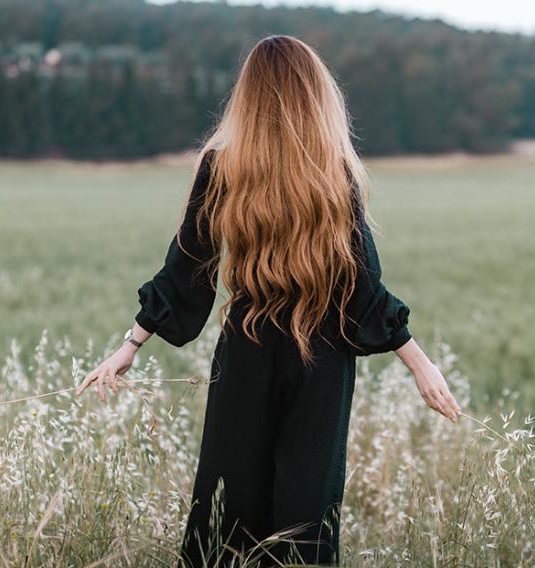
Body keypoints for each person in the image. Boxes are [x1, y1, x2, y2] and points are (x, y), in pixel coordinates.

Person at [76, 34, 461, 568]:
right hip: (322, 357)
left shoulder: (222, 165)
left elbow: (186, 268)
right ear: (315, 95)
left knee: (227, 514)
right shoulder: (334, 172)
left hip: (247, 349)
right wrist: (420, 365)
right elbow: (362, 286)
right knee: (306, 519)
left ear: (248, 97)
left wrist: (130, 345)